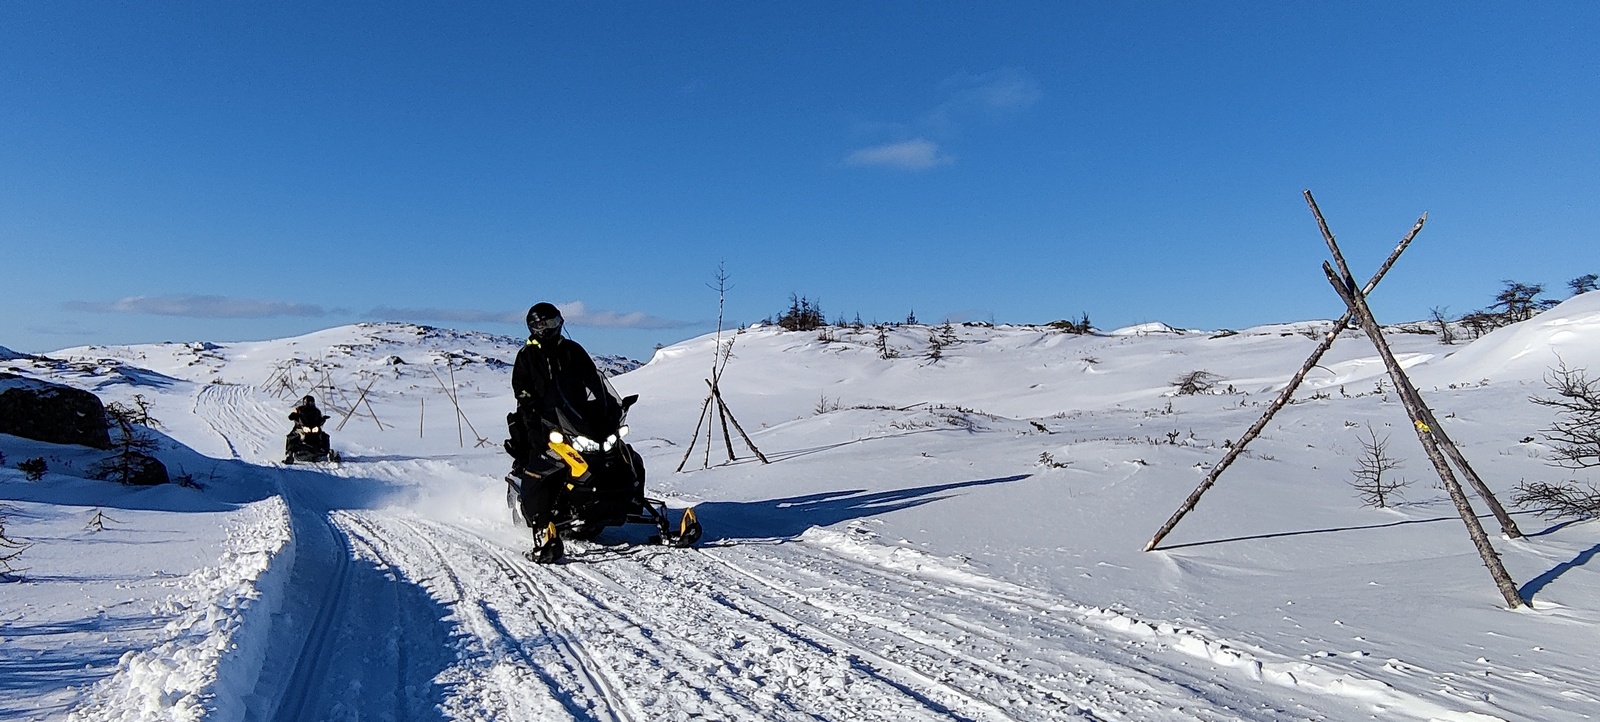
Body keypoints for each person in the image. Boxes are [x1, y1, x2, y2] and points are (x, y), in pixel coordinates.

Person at [507, 302, 618, 562]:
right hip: (541, 418)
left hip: (574, 415)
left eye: (553, 323)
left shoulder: (572, 350)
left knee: (613, 450)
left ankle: (621, 499)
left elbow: (593, 378)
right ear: (533, 328)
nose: (548, 329)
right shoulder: (527, 355)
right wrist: (530, 404)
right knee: (544, 460)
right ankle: (540, 518)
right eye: (542, 325)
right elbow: (520, 386)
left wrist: (609, 403)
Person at [284, 395, 332, 463]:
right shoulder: (299, 409)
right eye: (308, 402)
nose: (309, 404)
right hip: (301, 428)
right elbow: (292, 415)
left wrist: (323, 419)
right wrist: (293, 416)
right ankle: (289, 454)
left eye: (311, 402)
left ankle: (328, 452)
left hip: (313, 428)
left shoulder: (316, 411)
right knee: (292, 436)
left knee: (324, 436)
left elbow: (319, 419)